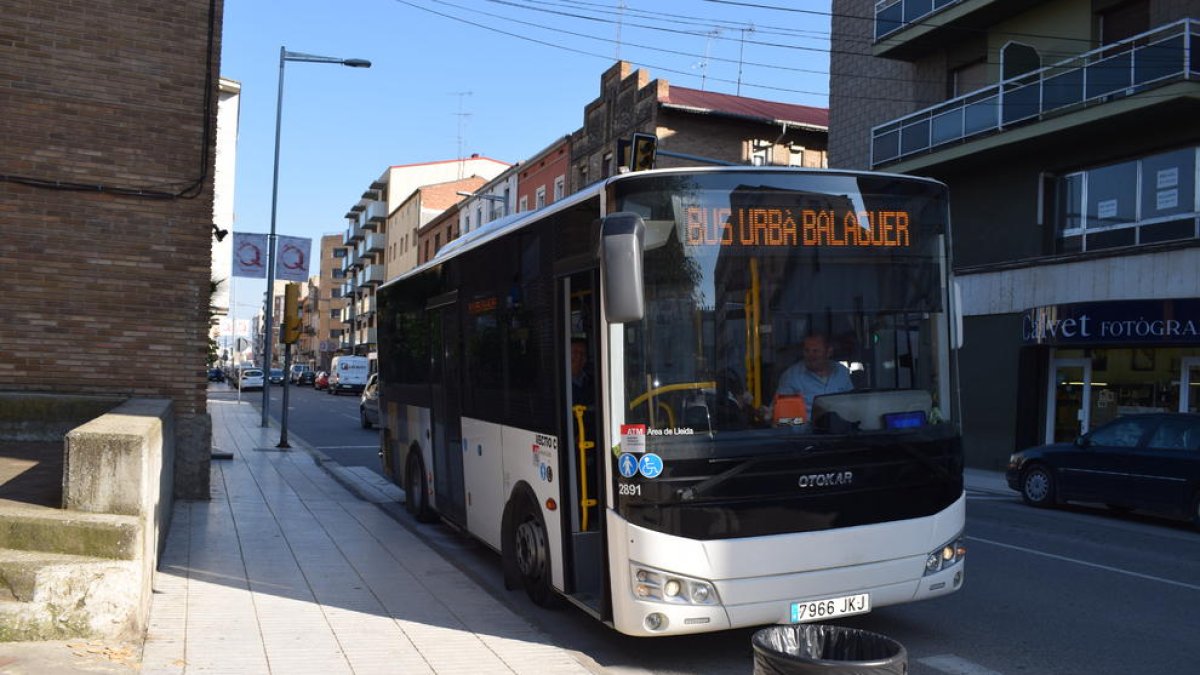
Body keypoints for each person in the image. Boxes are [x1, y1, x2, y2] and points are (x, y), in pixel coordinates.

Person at [773, 333, 853, 405]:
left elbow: (852, 403)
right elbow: (781, 415)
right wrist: (800, 421)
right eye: (807, 351)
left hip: (839, 421)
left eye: (816, 351)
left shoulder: (841, 372)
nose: (810, 355)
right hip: (806, 421)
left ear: (829, 352)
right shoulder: (791, 376)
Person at [571, 338, 594, 406]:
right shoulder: (558, 383)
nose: (579, 357)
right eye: (575, 352)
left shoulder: (593, 381)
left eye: (582, 353)